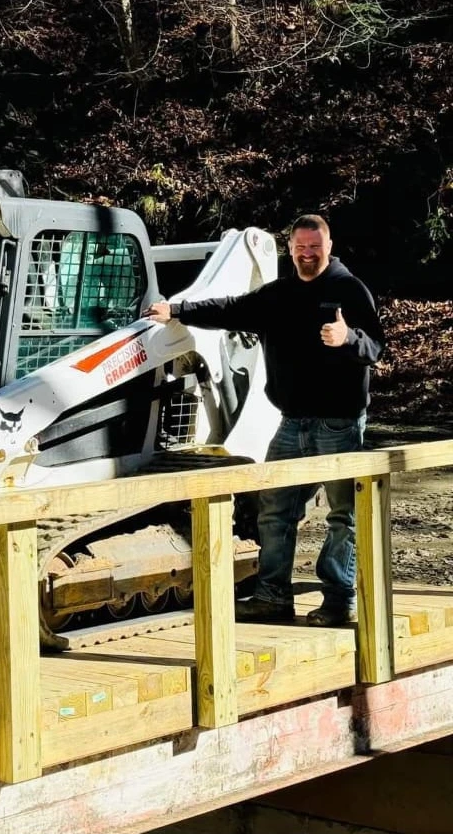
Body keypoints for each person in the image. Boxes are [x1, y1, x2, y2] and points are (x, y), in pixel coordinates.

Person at [143, 215, 385, 626]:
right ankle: (273, 596)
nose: (307, 255)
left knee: (343, 515)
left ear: (329, 245)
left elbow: (375, 348)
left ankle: (338, 600)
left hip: (338, 425)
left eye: (315, 248)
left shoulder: (349, 289)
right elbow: (231, 309)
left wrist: (348, 339)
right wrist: (178, 310)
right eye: (300, 248)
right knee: (274, 512)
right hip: (290, 423)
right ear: (290, 248)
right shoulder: (279, 294)